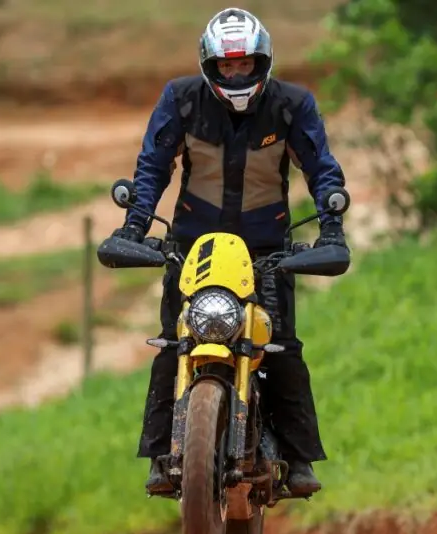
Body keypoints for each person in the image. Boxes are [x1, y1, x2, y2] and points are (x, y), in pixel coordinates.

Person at [110, 7, 349, 497]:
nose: (236, 73)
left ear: (262, 63)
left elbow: (321, 169)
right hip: (192, 248)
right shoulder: (181, 100)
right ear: (211, 65)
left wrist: (330, 230)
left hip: (266, 253)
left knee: (280, 347)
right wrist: (134, 225)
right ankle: (161, 453)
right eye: (227, 66)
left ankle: (298, 459)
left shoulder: (292, 105)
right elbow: (154, 166)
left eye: (245, 65)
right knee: (174, 343)